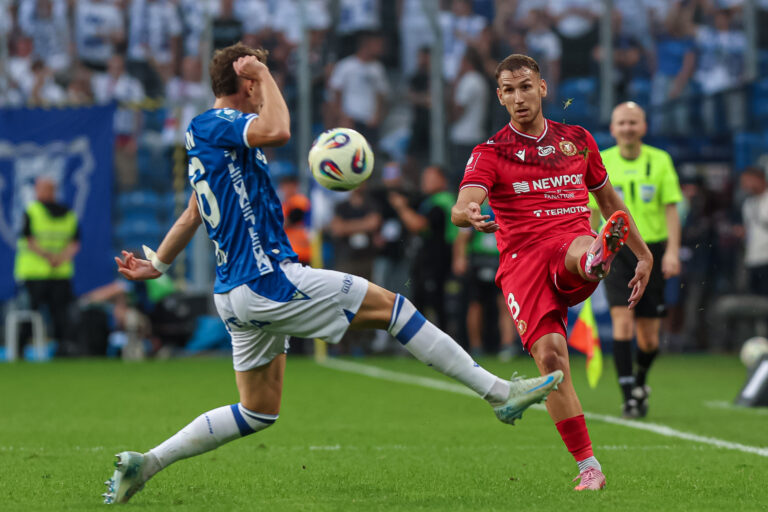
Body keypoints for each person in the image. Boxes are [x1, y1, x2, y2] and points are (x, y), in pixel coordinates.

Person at [103, 43, 563, 505]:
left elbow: (192, 213)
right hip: (267, 279)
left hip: (236, 293)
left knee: (258, 410)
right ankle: (499, 393)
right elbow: (279, 129)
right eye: (258, 83)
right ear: (247, 83)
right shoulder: (221, 122)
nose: (264, 92)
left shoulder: (208, 137)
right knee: (395, 309)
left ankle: (148, 463)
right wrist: (264, 73)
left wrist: (158, 264)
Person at [451, 54, 653, 491]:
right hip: (522, 265)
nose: (519, 97)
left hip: (569, 243)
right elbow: (462, 205)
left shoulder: (577, 140)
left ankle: (596, 258)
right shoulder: (490, 152)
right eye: (509, 90)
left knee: (578, 246)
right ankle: (589, 468)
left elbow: (609, 203)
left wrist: (643, 254)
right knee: (551, 362)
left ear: (542, 88)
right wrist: (470, 213)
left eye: (526, 87)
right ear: (499, 97)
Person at [594, 102, 682, 420]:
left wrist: (672, 251)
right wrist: (593, 248)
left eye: (633, 122)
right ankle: (629, 397)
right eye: (622, 122)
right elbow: (592, 210)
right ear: (613, 128)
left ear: (643, 127)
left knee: (649, 338)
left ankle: (641, 380)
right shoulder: (601, 161)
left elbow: (671, 209)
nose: (628, 128)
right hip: (616, 250)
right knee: (622, 322)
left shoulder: (660, 160)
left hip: (651, 250)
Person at [14, 176, 80, 356]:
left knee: (58, 316)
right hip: (40, 273)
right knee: (32, 315)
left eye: (42, 188)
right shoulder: (35, 212)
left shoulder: (63, 214)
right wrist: (56, 257)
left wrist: (55, 257)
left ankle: (62, 350)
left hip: (51, 273)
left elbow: (74, 242)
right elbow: (29, 240)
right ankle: (20, 350)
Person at [736, 167, 768, 296]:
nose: (744, 186)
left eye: (746, 181)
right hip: (753, 258)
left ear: (759, 179)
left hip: (766, 258)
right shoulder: (748, 203)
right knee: (756, 298)